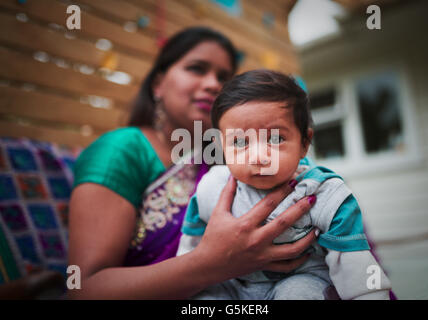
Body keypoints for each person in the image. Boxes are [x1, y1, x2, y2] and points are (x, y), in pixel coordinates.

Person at [68, 27, 319, 300]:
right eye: (197, 69)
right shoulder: (122, 150)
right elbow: (84, 289)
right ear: (158, 85)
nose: (213, 84)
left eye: (224, 77)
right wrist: (210, 265)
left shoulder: (233, 160)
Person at [177, 69, 393, 300]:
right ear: (222, 146)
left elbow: (356, 264)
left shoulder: (324, 192)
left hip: (301, 278)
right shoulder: (213, 186)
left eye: (276, 139)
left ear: (304, 142)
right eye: (240, 142)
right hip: (231, 284)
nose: (258, 157)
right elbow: (192, 243)